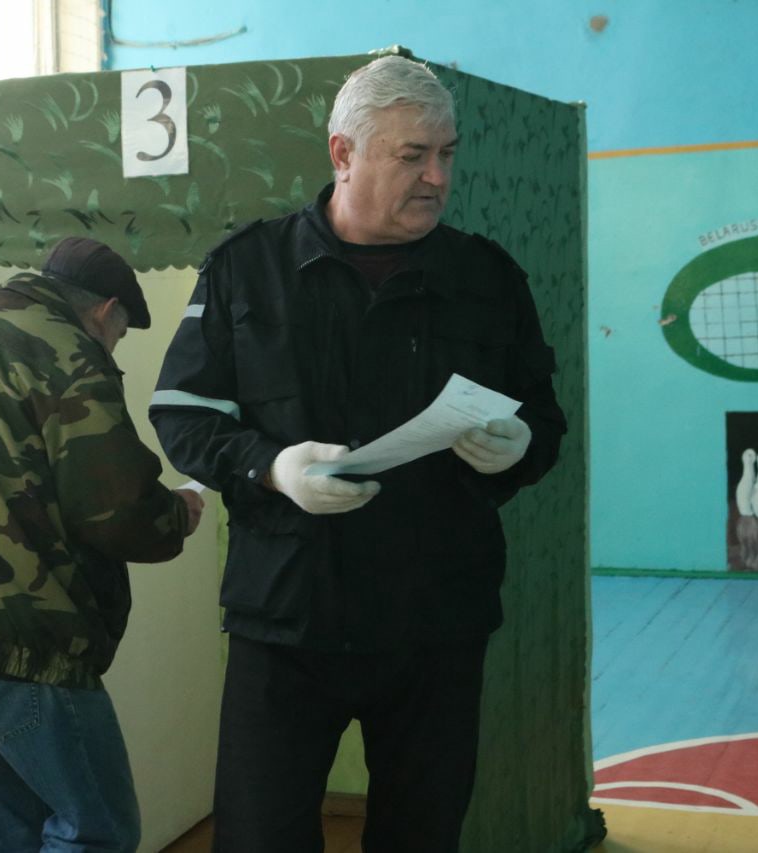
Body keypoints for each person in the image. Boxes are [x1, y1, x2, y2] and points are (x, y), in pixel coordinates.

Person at [150, 55, 567, 853]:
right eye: (413, 156)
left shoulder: (487, 278)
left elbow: (543, 419)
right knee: (260, 835)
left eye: (446, 154)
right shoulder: (249, 269)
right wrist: (272, 467)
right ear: (343, 154)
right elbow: (183, 414)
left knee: (423, 833)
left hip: (436, 618)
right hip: (288, 615)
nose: (437, 177)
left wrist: (519, 445)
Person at [0, 236, 204, 852]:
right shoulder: (64, 349)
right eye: (119, 335)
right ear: (106, 311)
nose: (112, 346)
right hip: (22, 637)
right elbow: (117, 512)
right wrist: (176, 514)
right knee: (96, 829)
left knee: (11, 829)